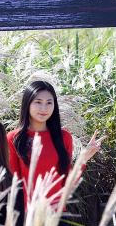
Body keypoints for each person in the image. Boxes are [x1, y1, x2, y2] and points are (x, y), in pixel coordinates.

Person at [7, 80, 105, 218]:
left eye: (49, 103)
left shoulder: (64, 137)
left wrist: (83, 159)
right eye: (38, 102)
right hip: (25, 216)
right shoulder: (13, 138)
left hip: (57, 214)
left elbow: (66, 184)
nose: (44, 108)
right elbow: (13, 183)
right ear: (27, 103)